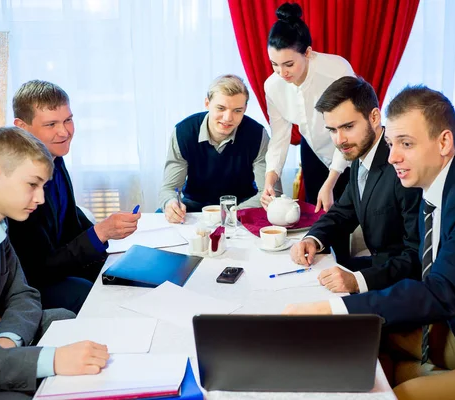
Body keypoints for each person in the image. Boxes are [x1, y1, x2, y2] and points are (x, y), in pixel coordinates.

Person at [283, 86, 455, 399]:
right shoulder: (437, 185)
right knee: (358, 345)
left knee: (390, 390)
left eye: (406, 144)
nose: (393, 157)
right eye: (391, 144)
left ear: (444, 142)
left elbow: (441, 293)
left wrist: (333, 308)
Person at [0, 127, 110, 399]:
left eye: (43, 187)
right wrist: (51, 360)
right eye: (32, 184)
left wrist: (7, 340)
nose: (40, 198)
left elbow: (23, 293)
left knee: (61, 318)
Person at [8, 80, 141, 314]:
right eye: (51, 124)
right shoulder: (18, 182)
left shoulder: (55, 157)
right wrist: (100, 233)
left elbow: (69, 217)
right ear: (22, 127)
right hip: (28, 282)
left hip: (57, 264)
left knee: (127, 277)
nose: (64, 132)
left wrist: (103, 237)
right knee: (90, 294)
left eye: (68, 120)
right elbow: (40, 268)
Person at [290, 76, 422, 294]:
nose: (339, 140)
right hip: (381, 269)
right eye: (332, 130)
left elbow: (415, 256)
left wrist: (358, 281)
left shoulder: (401, 165)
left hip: (401, 286)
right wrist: (313, 239)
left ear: (374, 117)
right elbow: (342, 213)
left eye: (348, 127)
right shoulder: (360, 156)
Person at [262, 2, 355, 213]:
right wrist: (271, 177)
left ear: (308, 53)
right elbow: (280, 136)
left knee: (346, 211)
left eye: (288, 64)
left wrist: (331, 180)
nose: (281, 73)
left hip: (349, 146)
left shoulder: (336, 71)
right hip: (313, 148)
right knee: (317, 214)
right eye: (274, 64)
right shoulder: (273, 86)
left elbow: (348, 128)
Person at [159, 74, 276, 223]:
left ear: (245, 109)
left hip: (243, 207)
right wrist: (170, 204)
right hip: (194, 207)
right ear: (207, 103)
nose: (228, 118)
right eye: (221, 108)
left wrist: (231, 213)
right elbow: (169, 188)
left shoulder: (257, 134)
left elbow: (268, 194)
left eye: (237, 110)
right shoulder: (184, 132)